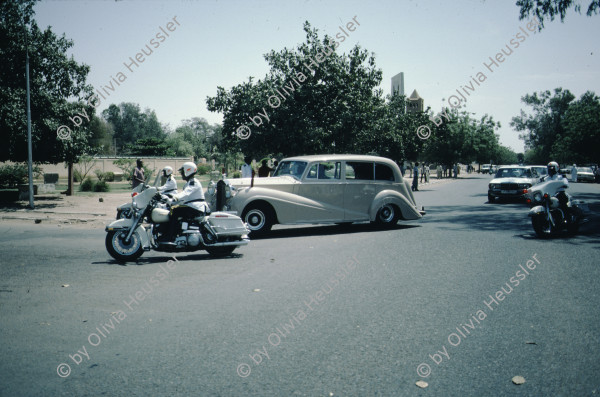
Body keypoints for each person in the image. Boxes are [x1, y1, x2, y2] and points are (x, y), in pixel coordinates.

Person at [161, 162, 209, 242]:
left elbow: (186, 193)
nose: (181, 174)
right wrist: (169, 200)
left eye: (182, 172)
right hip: (192, 206)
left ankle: (170, 236)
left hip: (196, 207)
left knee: (174, 211)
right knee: (172, 209)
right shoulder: (189, 183)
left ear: (188, 171)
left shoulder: (194, 182)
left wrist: (175, 197)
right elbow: (184, 198)